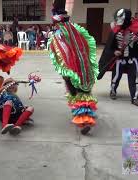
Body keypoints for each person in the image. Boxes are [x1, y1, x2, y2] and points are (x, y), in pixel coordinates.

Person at [49, 5, 99, 135]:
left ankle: (84, 123)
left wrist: (65, 72)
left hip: (73, 71)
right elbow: (88, 46)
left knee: (76, 94)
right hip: (84, 71)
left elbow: (60, 55)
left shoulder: (59, 35)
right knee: (84, 93)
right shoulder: (77, 30)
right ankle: (85, 116)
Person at [98, 9, 138, 106]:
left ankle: (135, 98)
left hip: (132, 58)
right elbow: (110, 45)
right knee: (116, 77)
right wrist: (115, 51)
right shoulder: (115, 29)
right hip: (119, 59)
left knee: (134, 79)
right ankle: (113, 91)